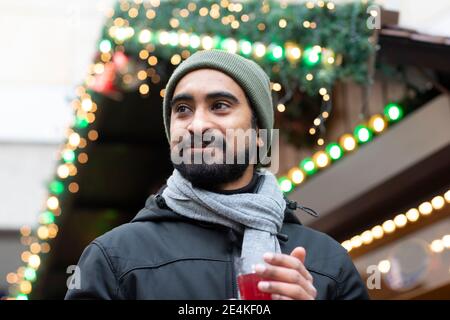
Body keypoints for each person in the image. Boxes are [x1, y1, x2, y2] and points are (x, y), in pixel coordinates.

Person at [65, 50, 369, 300]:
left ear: (260, 134)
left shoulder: (328, 264)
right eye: (182, 109)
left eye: (219, 106)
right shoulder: (114, 258)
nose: (197, 125)